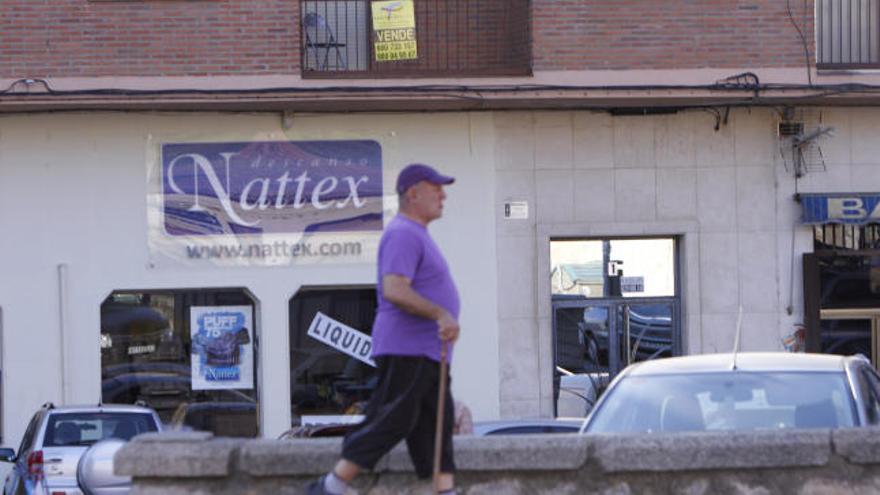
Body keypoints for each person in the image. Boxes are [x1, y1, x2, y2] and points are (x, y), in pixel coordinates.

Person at [308, 163, 461, 495]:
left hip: (427, 350)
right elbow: (394, 289)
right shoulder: (403, 233)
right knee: (394, 417)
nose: (443, 195)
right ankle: (332, 485)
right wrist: (441, 314)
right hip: (408, 348)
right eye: (436, 188)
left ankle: (443, 489)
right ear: (413, 193)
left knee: (437, 421)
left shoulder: (416, 234)